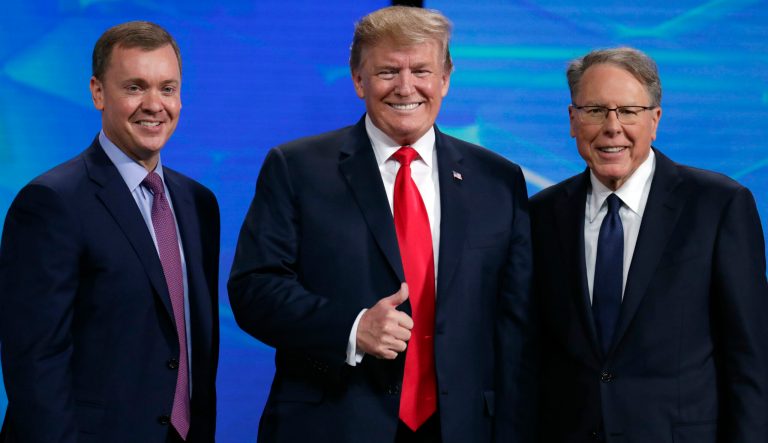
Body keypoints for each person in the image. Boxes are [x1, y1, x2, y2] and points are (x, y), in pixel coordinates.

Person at [228, 6, 534, 443]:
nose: (406, 87)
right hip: (332, 424)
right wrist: (351, 328)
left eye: (421, 71)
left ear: (445, 79)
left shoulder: (498, 179)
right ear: (358, 80)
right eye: (388, 71)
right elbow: (254, 289)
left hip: (460, 428)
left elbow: (516, 327)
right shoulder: (297, 168)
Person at [531, 46, 768, 442]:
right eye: (594, 110)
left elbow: (751, 360)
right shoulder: (541, 213)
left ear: (655, 120)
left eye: (628, 111)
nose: (611, 127)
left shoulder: (719, 205)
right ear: (572, 120)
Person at [0, 21, 219, 443]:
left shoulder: (199, 203)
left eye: (167, 88)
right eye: (135, 87)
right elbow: (35, 363)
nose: (155, 105)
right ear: (98, 92)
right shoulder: (51, 202)